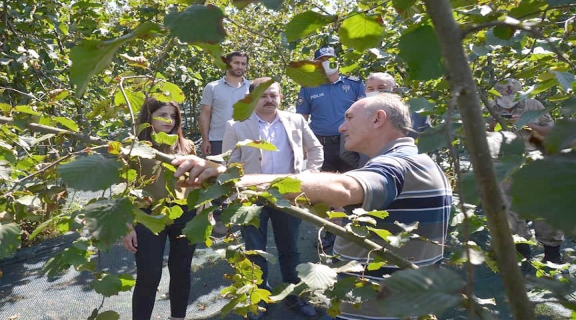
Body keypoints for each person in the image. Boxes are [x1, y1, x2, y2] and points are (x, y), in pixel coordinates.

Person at [172, 94, 453, 320]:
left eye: (349, 117)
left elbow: (343, 189)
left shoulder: (398, 164)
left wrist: (229, 177)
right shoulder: (418, 161)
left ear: (379, 119)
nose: (342, 127)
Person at [221, 77, 323, 319]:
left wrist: (308, 177)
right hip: (251, 197)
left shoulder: (296, 120)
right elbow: (228, 161)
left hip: (288, 195)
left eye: (273, 95)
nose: (269, 100)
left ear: (280, 97)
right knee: (255, 250)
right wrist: (239, 188)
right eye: (263, 96)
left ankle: (293, 294)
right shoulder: (236, 125)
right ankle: (259, 298)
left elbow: (316, 149)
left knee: (290, 249)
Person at [123, 97, 198, 320]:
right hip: (148, 216)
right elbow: (124, 190)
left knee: (181, 271)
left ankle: (178, 317)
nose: (169, 120)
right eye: (162, 115)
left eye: (173, 116)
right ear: (148, 117)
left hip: (184, 215)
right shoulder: (134, 150)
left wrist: (205, 212)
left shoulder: (186, 146)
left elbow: (197, 185)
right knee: (149, 274)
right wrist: (127, 226)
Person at [296, 46, 365, 248]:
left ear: (337, 61)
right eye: (321, 60)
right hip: (321, 145)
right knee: (325, 192)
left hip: (350, 146)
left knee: (354, 188)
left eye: (330, 59)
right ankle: (330, 233)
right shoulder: (309, 87)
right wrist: (301, 146)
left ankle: (355, 232)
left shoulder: (354, 85)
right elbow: (302, 118)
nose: (326, 63)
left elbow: (365, 113)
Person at [489, 78, 564, 265]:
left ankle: (552, 255)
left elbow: (552, 131)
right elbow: (479, 135)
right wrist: (493, 124)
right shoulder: (488, 107)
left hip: (535, 163)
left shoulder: (533, 105)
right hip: (503, 165)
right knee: (509, 212)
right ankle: (523, 257)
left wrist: (529, 125)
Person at [341, 72, 432, 168]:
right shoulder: (356, 114)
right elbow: (346, 151)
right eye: (370, 89)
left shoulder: (416, 113)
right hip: (372, 171)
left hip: (411, 169)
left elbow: (430, 141)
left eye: (381, 88)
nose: (376, 92)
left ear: (394, 89)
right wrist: (364, 164)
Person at [199, 50, 251, 157]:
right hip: (218, 139)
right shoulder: (212, 87)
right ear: (227, 64)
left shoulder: (252, 88)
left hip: (246, 139)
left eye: (243, 64)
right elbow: (205, 115)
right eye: (236, 63)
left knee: (246, 172)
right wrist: (205, 140)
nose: (240, 66)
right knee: (217, 171)